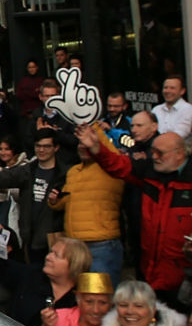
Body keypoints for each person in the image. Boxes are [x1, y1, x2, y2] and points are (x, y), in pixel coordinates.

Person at [80, 124, 192, 307]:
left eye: (160, 153)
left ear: (179, 154)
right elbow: (118, 165)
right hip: (149, 270)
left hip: (183, 277)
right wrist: (96, 148)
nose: (153, 156)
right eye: (153, 151)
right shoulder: (149, 171)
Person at [0, 131, 68, 264]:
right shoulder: (28, 170)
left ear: (56, 148)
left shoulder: (64, 174)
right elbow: (2, 179)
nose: (41, 150)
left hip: (54, 239)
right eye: (38, 146)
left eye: (47, 146)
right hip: (30, 237)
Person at [48, 136, 124, 279]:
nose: (82, 147)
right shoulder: (73, 171)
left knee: (100, 295)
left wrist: (90, 119)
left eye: (87, 144)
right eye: (80, 143)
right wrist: (55, 201)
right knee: (81, 295)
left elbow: (112, 152)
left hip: (101, 245)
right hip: (75, 245)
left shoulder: (110, 168)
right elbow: (67, 201)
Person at [37, 271, 112, 326]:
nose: (96, 310)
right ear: (78, 300)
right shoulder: (58, 317)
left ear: (111, 304)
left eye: (103, 303)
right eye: (89, 302)